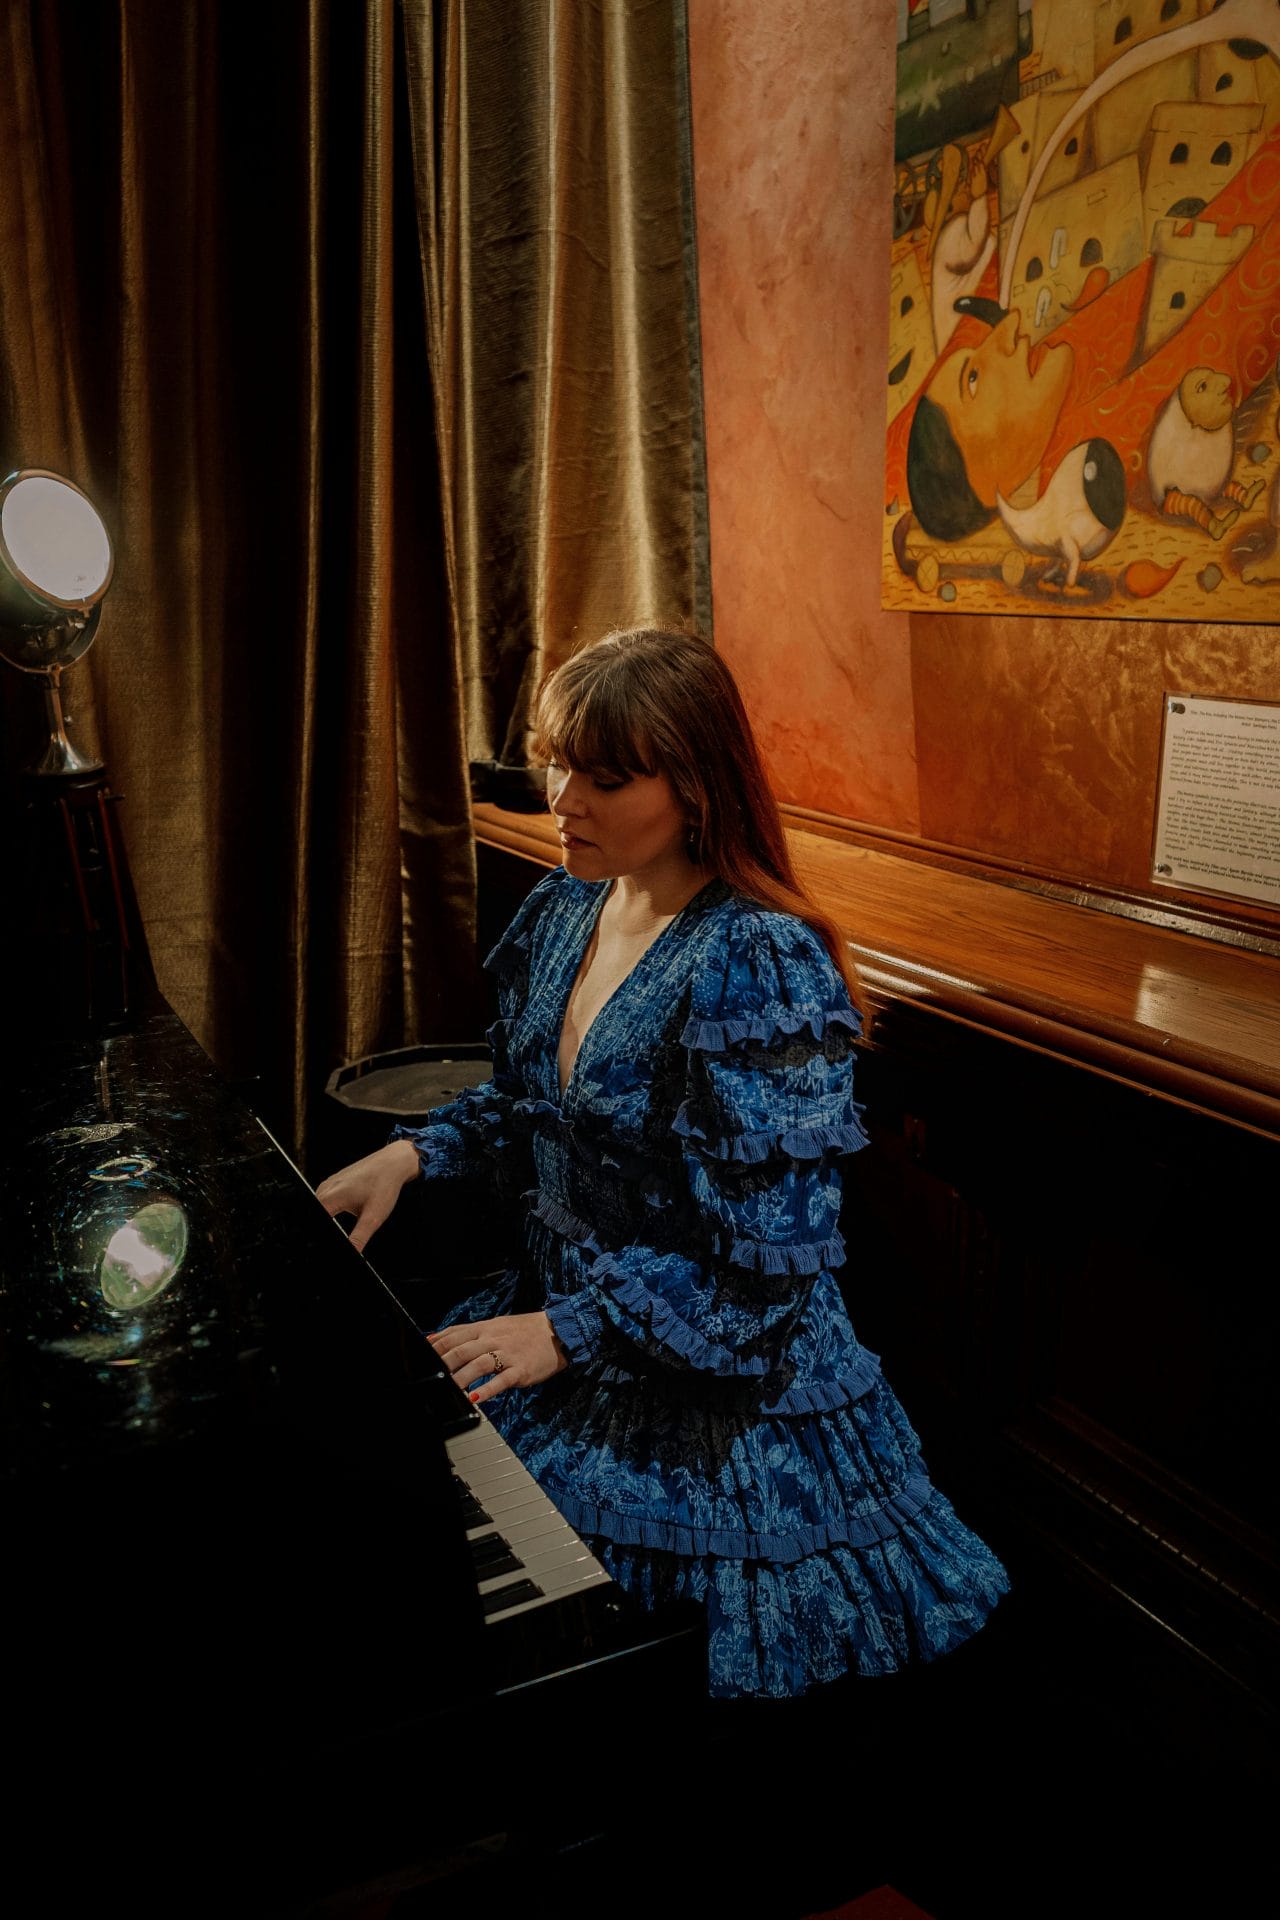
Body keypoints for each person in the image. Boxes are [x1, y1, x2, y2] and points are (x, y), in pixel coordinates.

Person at [316, 626, 1008, 1701]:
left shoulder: (755, 958)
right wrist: (410, 1154)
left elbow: (767, 1269)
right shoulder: (569, 903)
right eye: (558, 763)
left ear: (695, 786)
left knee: (569, 1653)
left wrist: (567, 1331)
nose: (563, 801)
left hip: (717, 1379)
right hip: (566, 1314)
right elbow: (536, 1105)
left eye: (605, 778)